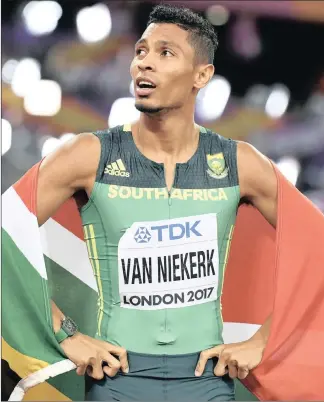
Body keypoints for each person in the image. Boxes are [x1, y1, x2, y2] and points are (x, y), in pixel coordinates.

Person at [37, 4, 275, 401]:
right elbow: (6, 231)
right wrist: (65, 334)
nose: (144, 64)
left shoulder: (241, 164)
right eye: (141, 51)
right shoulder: (88, 155)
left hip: (206, 381)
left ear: (202, 75)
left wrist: (265, 339)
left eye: (165, 53)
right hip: (118, 380)